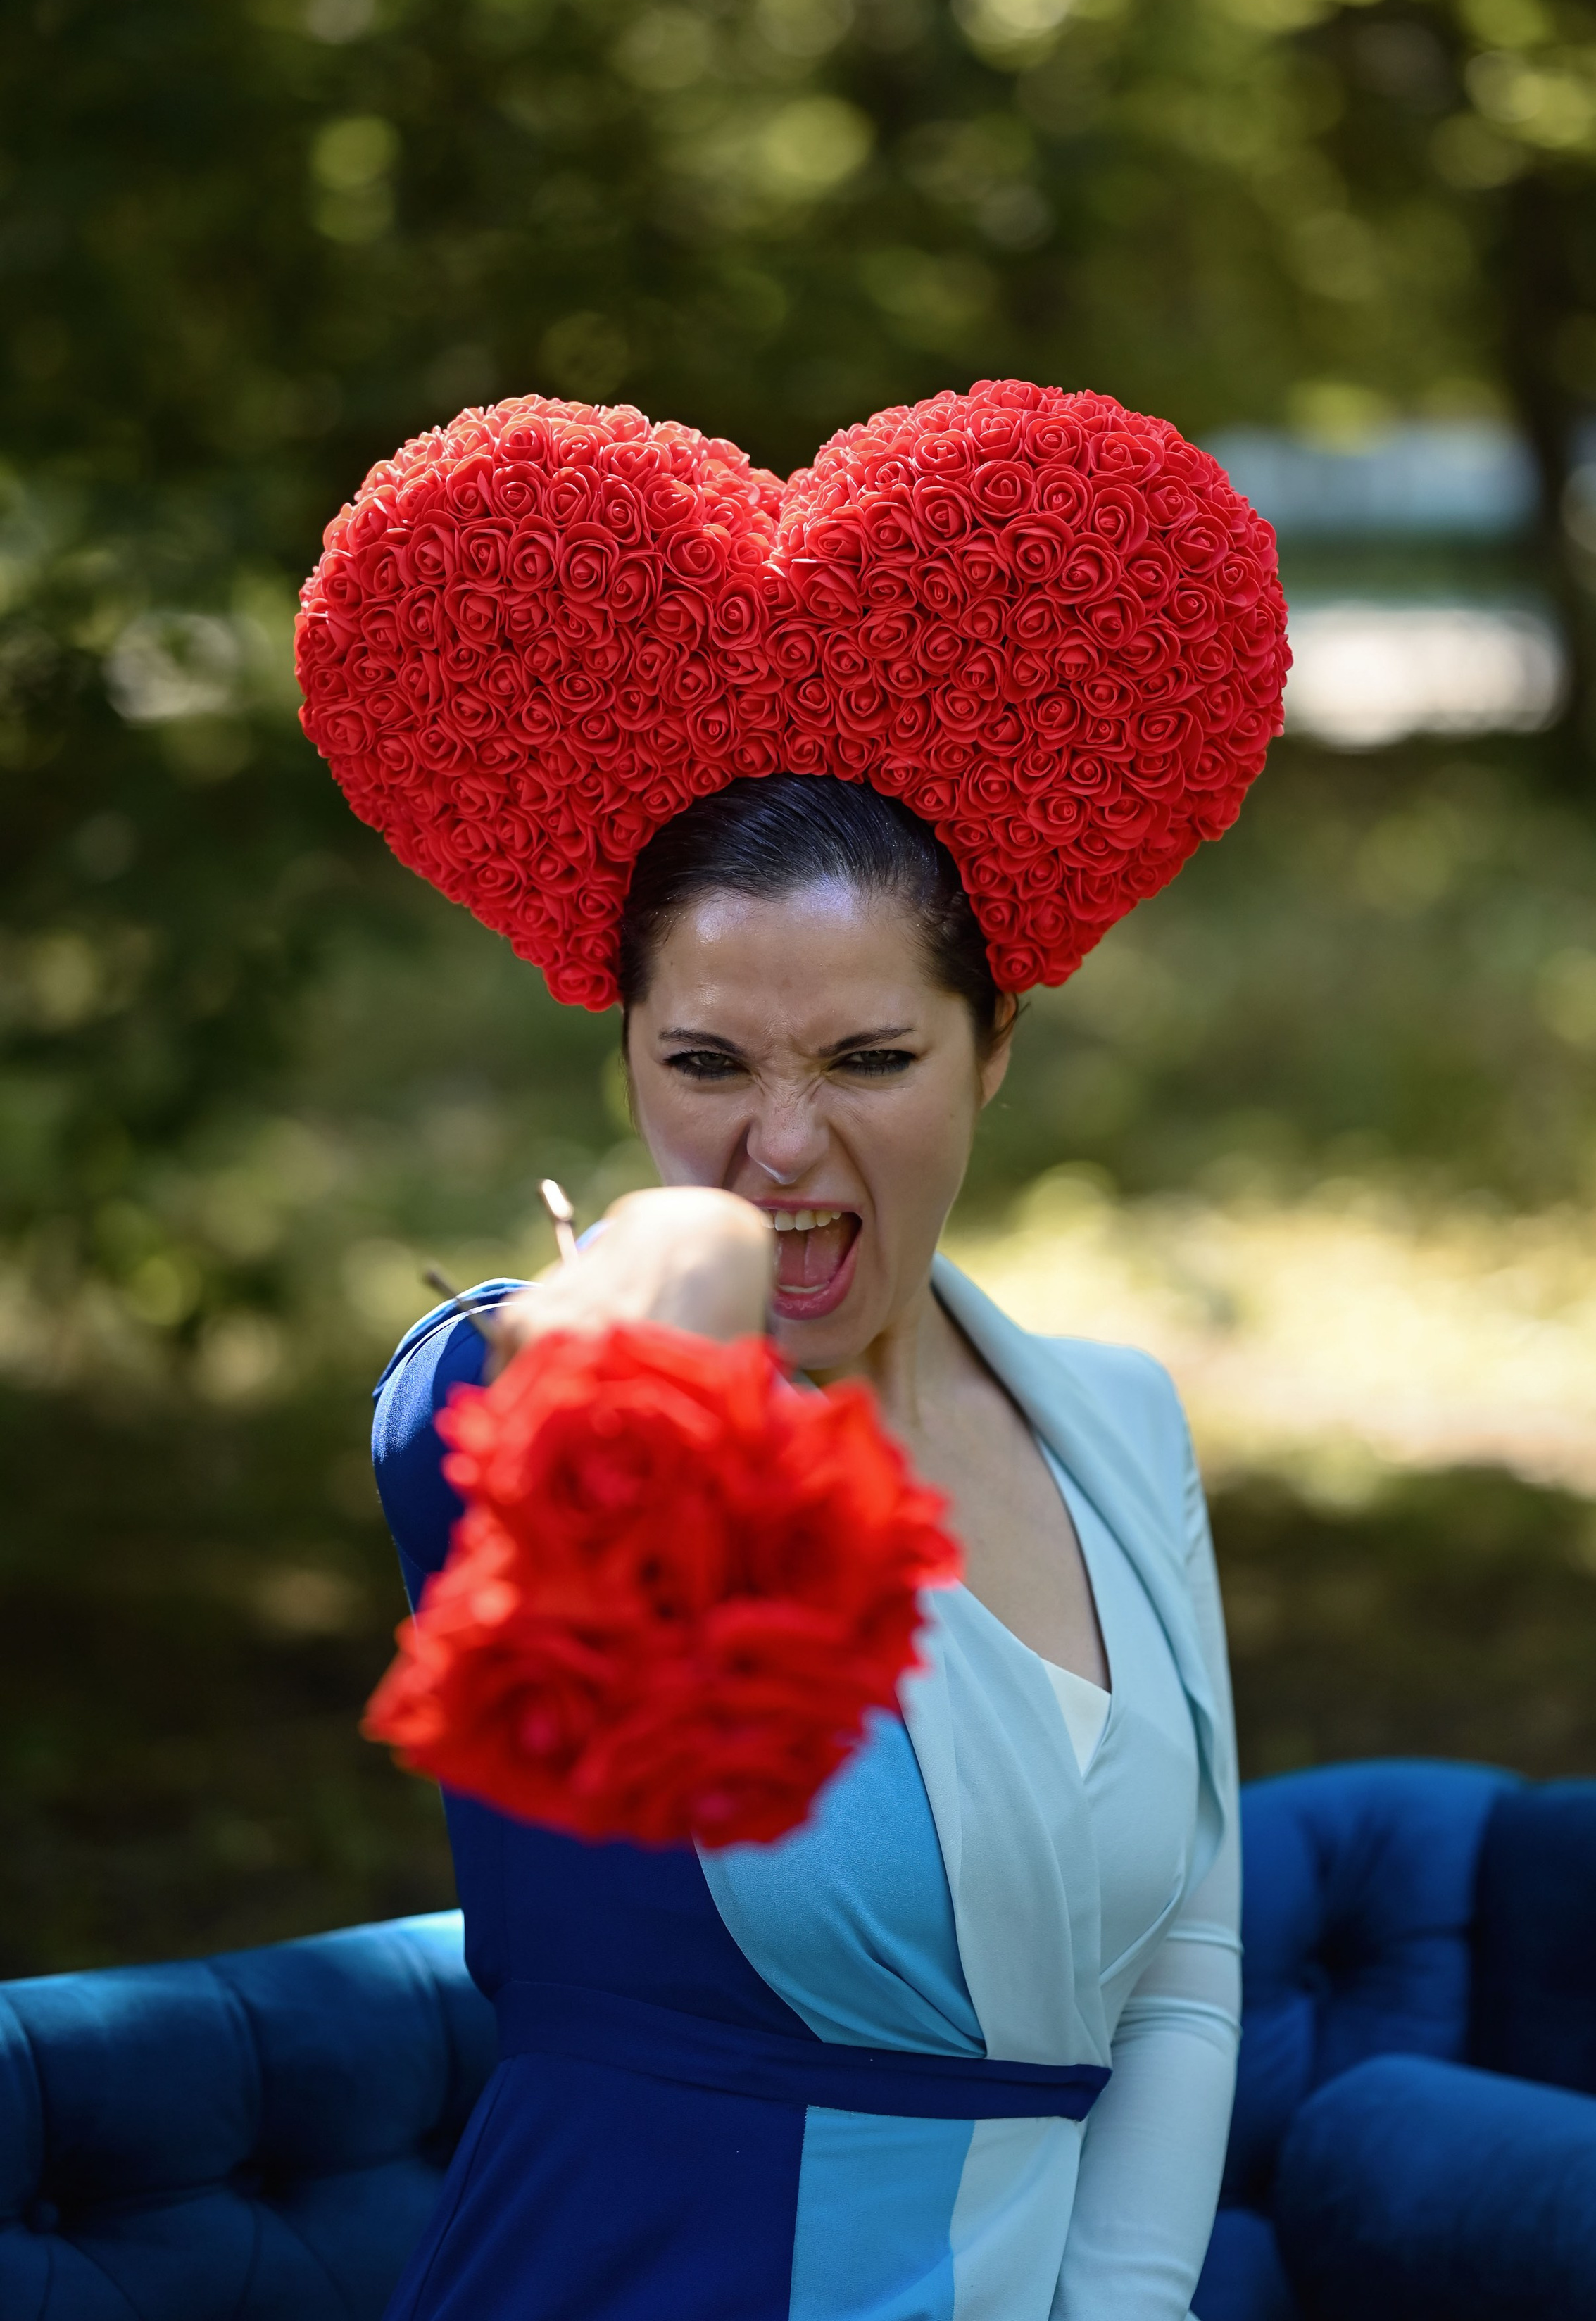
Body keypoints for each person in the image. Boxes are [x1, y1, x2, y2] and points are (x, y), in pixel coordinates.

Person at [299, 379, 1288, 2320]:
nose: (780, 1141)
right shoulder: (513, 1401)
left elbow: (1185, 1966)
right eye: (704, 1063)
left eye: (868, 1058)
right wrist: (680, 1255)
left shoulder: (1116, 1423)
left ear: (993, 1050)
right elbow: (642, 1321)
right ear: (624, 1062)